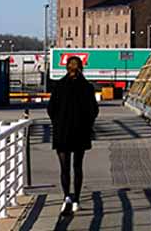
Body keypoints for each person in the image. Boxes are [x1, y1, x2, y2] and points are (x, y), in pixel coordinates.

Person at [47, 56, 98, 216]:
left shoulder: (58, 86)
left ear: (66, 68)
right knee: (78, 166)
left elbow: (50, 109)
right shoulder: (88, 87)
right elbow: (94, 110)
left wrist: (57, 122)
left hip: (62, 132)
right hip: (81, 132)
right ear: (81, 68)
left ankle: (66, 197)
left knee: (64, 168)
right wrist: (88, 123)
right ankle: (76, 200)